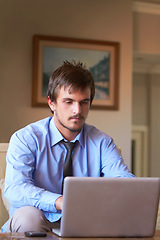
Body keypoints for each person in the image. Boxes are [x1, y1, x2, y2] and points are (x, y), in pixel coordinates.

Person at [2, 60, 135, 233]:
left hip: (86, 220)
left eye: (84, 102)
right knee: (29, 217)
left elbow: (125, 183)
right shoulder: (26, 138)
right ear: (52, 103)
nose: (77, 110)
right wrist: (60, 201)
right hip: (38, 219)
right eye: (68, 101)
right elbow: (16, 188)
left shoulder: (102, 142)